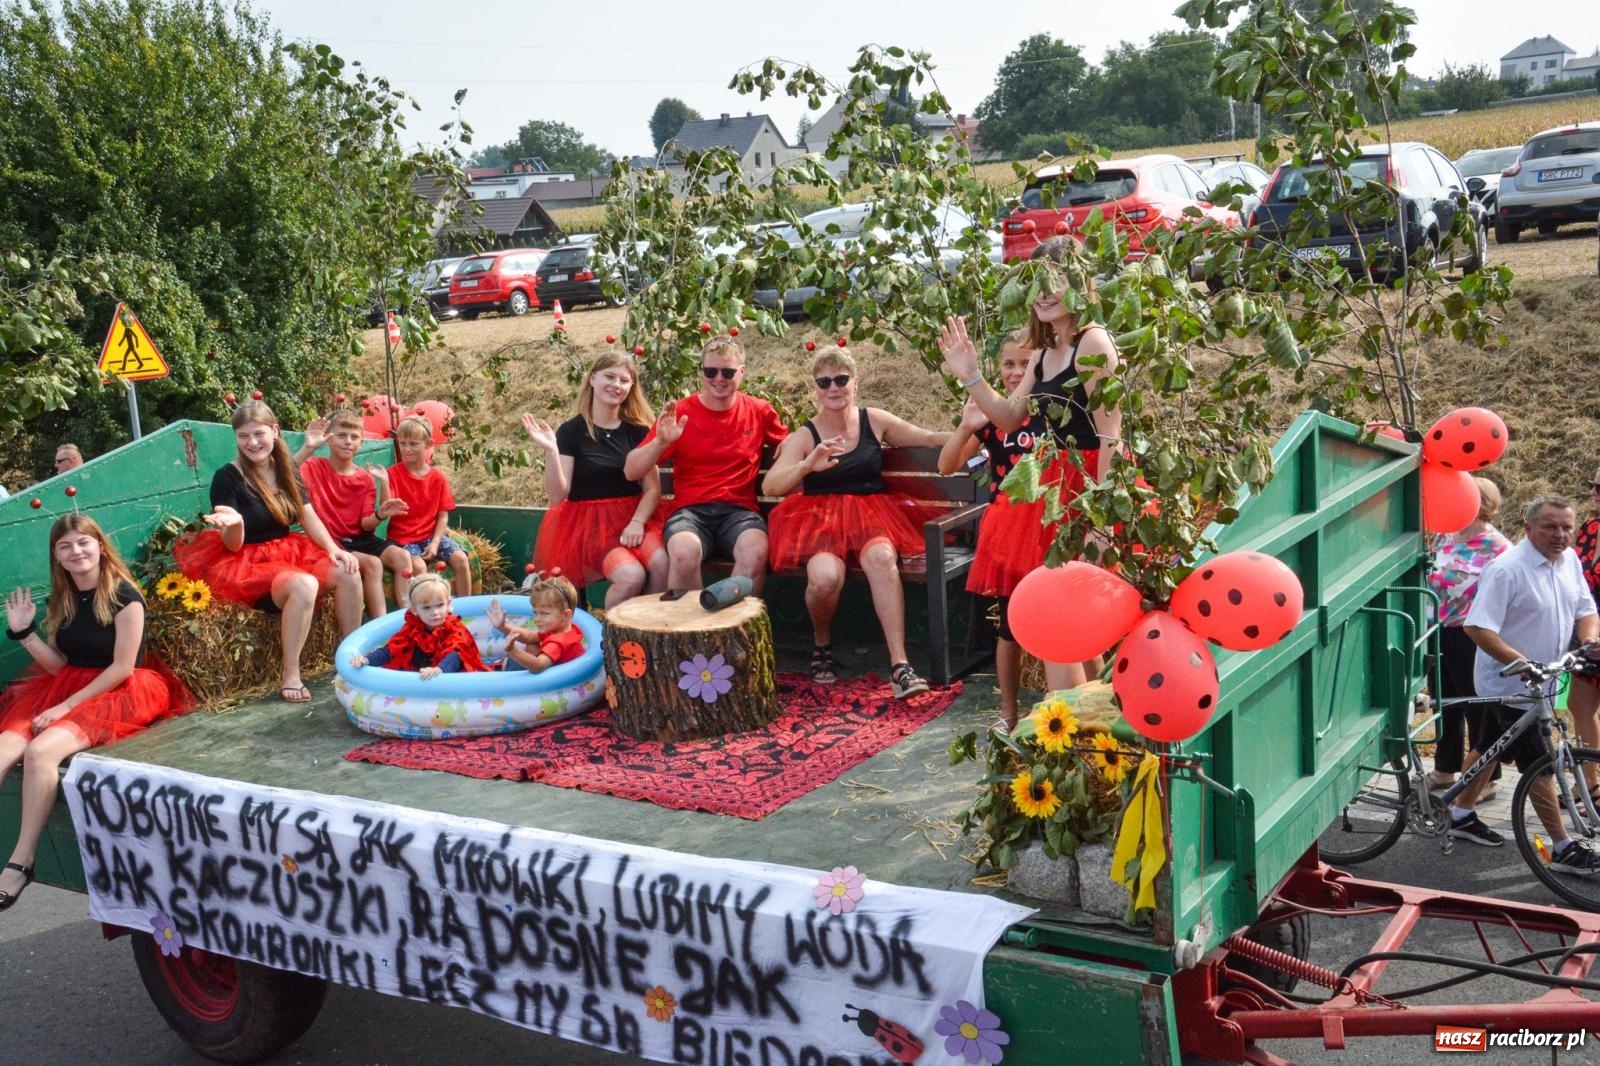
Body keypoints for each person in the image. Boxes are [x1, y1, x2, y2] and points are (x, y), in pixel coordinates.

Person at [937, 237, 1122, 692]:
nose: (1042, 294)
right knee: (1067, 619)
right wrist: (971, 375)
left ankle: (1078, 732)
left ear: (1077, 283)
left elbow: (1111, 435)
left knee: (1061, 621)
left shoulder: (1092, 341)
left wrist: (1100, 520)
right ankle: (1099, 725)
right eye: (1035, 284)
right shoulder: (1043, 353)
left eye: (1054, 282)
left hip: (1085, 489)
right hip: (1050, 489)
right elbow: (1007, 417)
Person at [0, 515, 194, 910]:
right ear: (56, 555)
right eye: (65, 546)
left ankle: (21, 863)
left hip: (122, 689)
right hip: (68, 685)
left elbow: (123, 666)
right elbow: (58, 666)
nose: (76, 552)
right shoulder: (63, 599)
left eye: (82, 543)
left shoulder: (125, 595)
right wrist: (25, 634)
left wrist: (65, 706)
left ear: (100, 545)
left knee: (41, 752)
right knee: (4, 749)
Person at [763, 347, 948, 697]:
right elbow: (771, 486)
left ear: (854, 383)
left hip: (873, 516)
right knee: (824, 577)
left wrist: (971, 433)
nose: (833, 388)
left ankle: (900, 665)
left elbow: (924, 437)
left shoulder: (872, 420)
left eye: (841, 379)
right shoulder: (806, 435)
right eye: (824, 382)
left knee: (881, 559)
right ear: (816, 389)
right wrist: (807, 465)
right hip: (819, 522)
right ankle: (822, 642)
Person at [172, 400, 363, 703]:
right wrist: (234, 524)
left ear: (274, 432)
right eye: (243, 436)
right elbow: (232, 544)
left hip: (290, 550)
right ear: (236, 439)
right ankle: (291, 674)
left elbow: (307, 514)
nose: (252, 442)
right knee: (305, 584)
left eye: (259, 433)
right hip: (247, 561)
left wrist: (333, 549)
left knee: (348, 572)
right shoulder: (227, 478)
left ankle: (352, 657)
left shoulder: (287, 469)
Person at [1449, 495, 1600, 873]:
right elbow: (1477, 627)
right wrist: (1520, 663)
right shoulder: (1507, 569)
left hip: (1544, 679)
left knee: (1490, 744)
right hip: (1507, 683)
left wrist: (1590, 640)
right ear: (1529, 527)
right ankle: (1562, 846)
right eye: (1550, 526)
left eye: (1566, 527)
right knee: (1540, 763)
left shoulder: (1569, 562)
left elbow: (1586, 609)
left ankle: (1458, 811)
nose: (1561, 535)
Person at [623, 337, 787, 593]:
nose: (718, 379)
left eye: (728, 372)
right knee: (682, 552)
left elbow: (790, 447)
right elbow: (631, 470)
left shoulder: (759, 411)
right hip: (690, 512)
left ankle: (733, 627)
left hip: (740, 512)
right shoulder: (681, 414)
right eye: (710, 371)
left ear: (741, 372)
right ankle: (693, 631)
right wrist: (660, 443)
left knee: (755, 552)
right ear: (702, 372)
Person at [938, 332, 1039, 727]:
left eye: (1025, 364)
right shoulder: (989, 411)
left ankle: (1072, 708)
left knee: (1060, 617)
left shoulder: (1052, 408)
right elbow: (946, 466)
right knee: (1011, 625)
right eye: (1009, 364)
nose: (1016, 372)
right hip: (1011, 531)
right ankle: (1009, 713)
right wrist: (966, 427)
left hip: (1049, 525)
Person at [523, 352, 668, 608]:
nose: (616, 385)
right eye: (609, 377)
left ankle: (645, 631)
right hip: (591, 526)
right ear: (592, 379)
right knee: (631, 577)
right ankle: (611, 638)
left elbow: (652, 490)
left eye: (624, 380)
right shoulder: (571, 431)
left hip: (636, 518)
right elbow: (558, 495)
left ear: (631, 387)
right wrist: (551, 450)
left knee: (661, 564)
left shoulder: (638, 431)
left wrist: (637, 522)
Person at [1425, 477, 1509, 793]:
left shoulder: (1497, 545)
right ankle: (1445, 769)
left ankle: (1485, 779)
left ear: (1480, 503)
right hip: (1440, 630)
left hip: (1472, 634)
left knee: (1477, 705)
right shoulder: (1446, 535)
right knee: (1444, 702)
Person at [294, 409, 413, 622]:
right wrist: (308, 447)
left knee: (403, 557)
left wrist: (379, 514)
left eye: (354, 437)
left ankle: (410, 620)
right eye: (341, 435)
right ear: (328, 439)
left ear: (361, 443)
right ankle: (381, 626)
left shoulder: (365, 479)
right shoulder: (313, 467)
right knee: (373, 564)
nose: (348, 442)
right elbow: (286, 474)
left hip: (360, 538)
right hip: (331, 541)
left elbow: (366, 525)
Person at [379, 415, 472, 599]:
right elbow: (386, 506)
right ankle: (424, 613)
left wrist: (436, 542)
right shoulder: (392, 474)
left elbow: (443, 515)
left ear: (428, 444)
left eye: (413, 444)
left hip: (429, 536)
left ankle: (465, 609)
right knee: (419, 566)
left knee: (461, 559)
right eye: (402, 443)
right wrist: (383, 482)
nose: (406, 449)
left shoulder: (438, 478)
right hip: (403, 539)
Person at [349, 574, 487, 679]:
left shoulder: (454, 628)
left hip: (454, 678)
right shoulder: (412, 629)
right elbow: (391, 650)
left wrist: (440, 669)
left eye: (440, 605)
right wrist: (366, 659)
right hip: (420, 676)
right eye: (426, 608)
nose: (435, 612)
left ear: (448, 604)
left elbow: (456, 654)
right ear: (414, 610)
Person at [486, 574, 586, 672]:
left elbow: (538, 665)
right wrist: (502, 626)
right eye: (535, 613)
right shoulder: (562, 628)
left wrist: (512, 650)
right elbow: (528, 636)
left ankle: (507, 676)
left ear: (566, 615)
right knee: (532, 643)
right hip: (555, 670)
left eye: (544, 613)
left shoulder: (558, 643)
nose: (537, 619)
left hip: (556, 683)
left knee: (513, 660)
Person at [1570, 465, 1600, 792]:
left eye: (1599, 489)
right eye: (1592, 485)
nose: (1592, 492)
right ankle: (1588, 785)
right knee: (1581, 708)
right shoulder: (1590, 528)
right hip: (1589, 635)